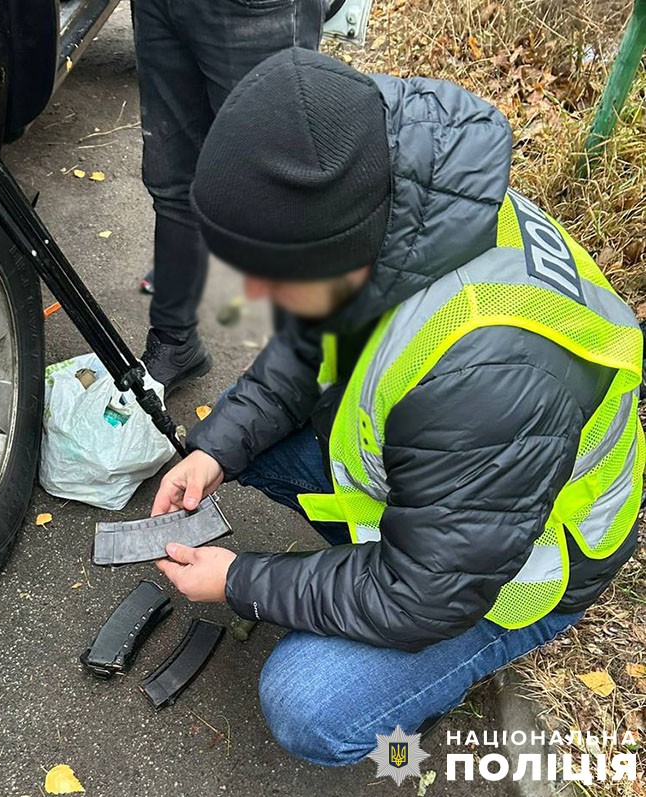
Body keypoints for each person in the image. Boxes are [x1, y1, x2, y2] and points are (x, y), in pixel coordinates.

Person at [149, 48, 644, 766]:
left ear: (330, 251)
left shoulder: (488, 369)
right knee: (242, 438)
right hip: (465, 502)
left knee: (308, 704)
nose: (256, 295)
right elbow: (309, 341)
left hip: (523, 572)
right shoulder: (390, 197)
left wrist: (236, 580)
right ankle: (371, 558)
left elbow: (423, 593)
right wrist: (215, 449)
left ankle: (421, 698)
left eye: (270, 274)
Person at [132, 0, 327, 396]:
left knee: (281, 189)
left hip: (257, 10)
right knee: (173, 181)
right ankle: (174, 340)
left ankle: (307, 371)